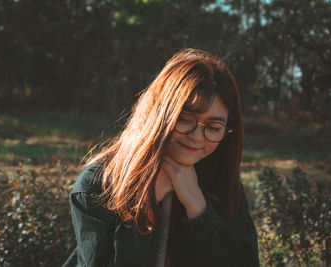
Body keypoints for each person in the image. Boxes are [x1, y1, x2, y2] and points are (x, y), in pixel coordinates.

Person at [63, 49, 259, 267]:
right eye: (184, 119)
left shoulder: (224, 187)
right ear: (161, 114)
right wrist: (144, 209)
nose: (196, 137)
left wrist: (197, 206)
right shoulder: (98, 185)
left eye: (214, 127)